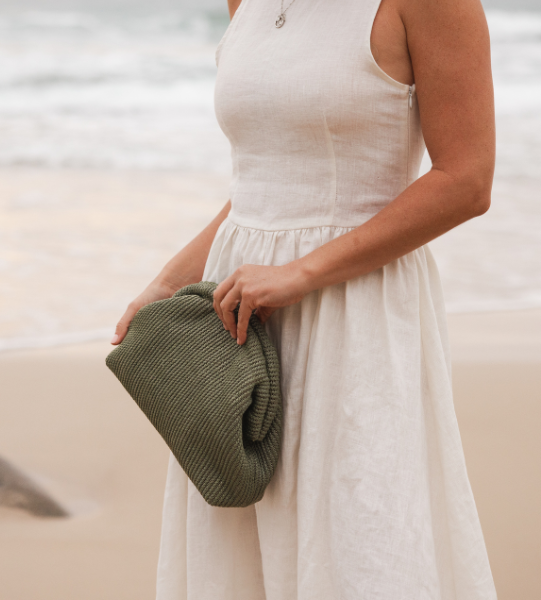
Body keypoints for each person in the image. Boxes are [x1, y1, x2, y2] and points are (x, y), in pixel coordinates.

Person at [111, 0, 496, 597]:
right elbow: (263, 185)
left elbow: (466, 180)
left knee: (358, 532)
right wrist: (167, 283)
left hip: (354, 308)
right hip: (238, 313)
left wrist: (303, 272)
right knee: (242, 538)